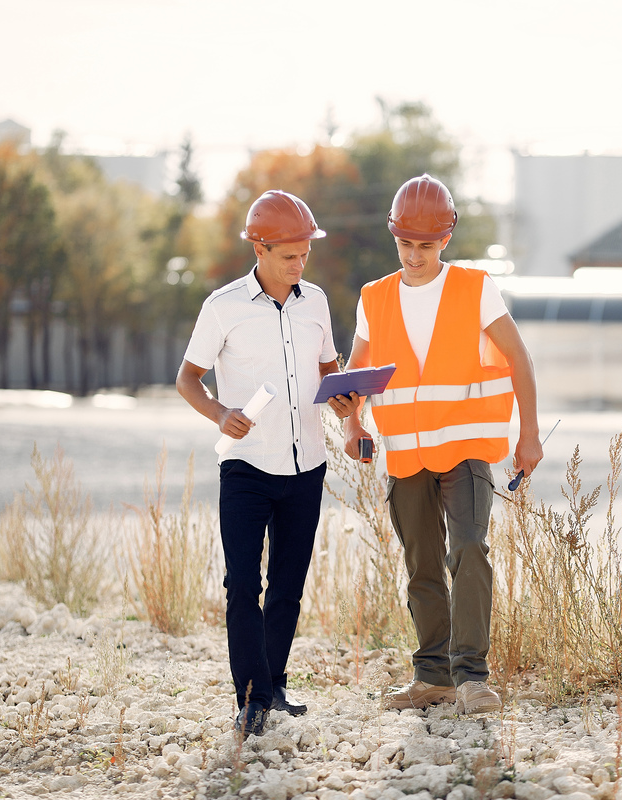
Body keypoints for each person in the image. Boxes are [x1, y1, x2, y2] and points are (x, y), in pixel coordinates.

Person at [334, 174, 543, 715]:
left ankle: (472, 676)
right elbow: (357, 374)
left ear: (445, 239)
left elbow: (518, 359)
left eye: (424, 246)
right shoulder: (373, 298)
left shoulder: (476, 288)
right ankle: (432, 677)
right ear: (394, 237)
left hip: (468, 447)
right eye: (404, 244)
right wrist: (352, 422)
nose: (413, 255)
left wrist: (529, 435)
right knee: (421, 562)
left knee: (469, 548)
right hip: (406, 454)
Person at [176, 190, 351, 736]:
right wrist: (218, 412)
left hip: (307, 465)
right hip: (247, 467)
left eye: (304, 254)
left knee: (289, 586)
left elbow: (329, 373)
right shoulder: (222, 306)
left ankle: (273, 687)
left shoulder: (316, 302)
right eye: (287, 255)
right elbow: (187, 380)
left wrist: (346, 402)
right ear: (259, 247)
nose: (299, 265)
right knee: (243, 584)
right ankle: (249, 698)